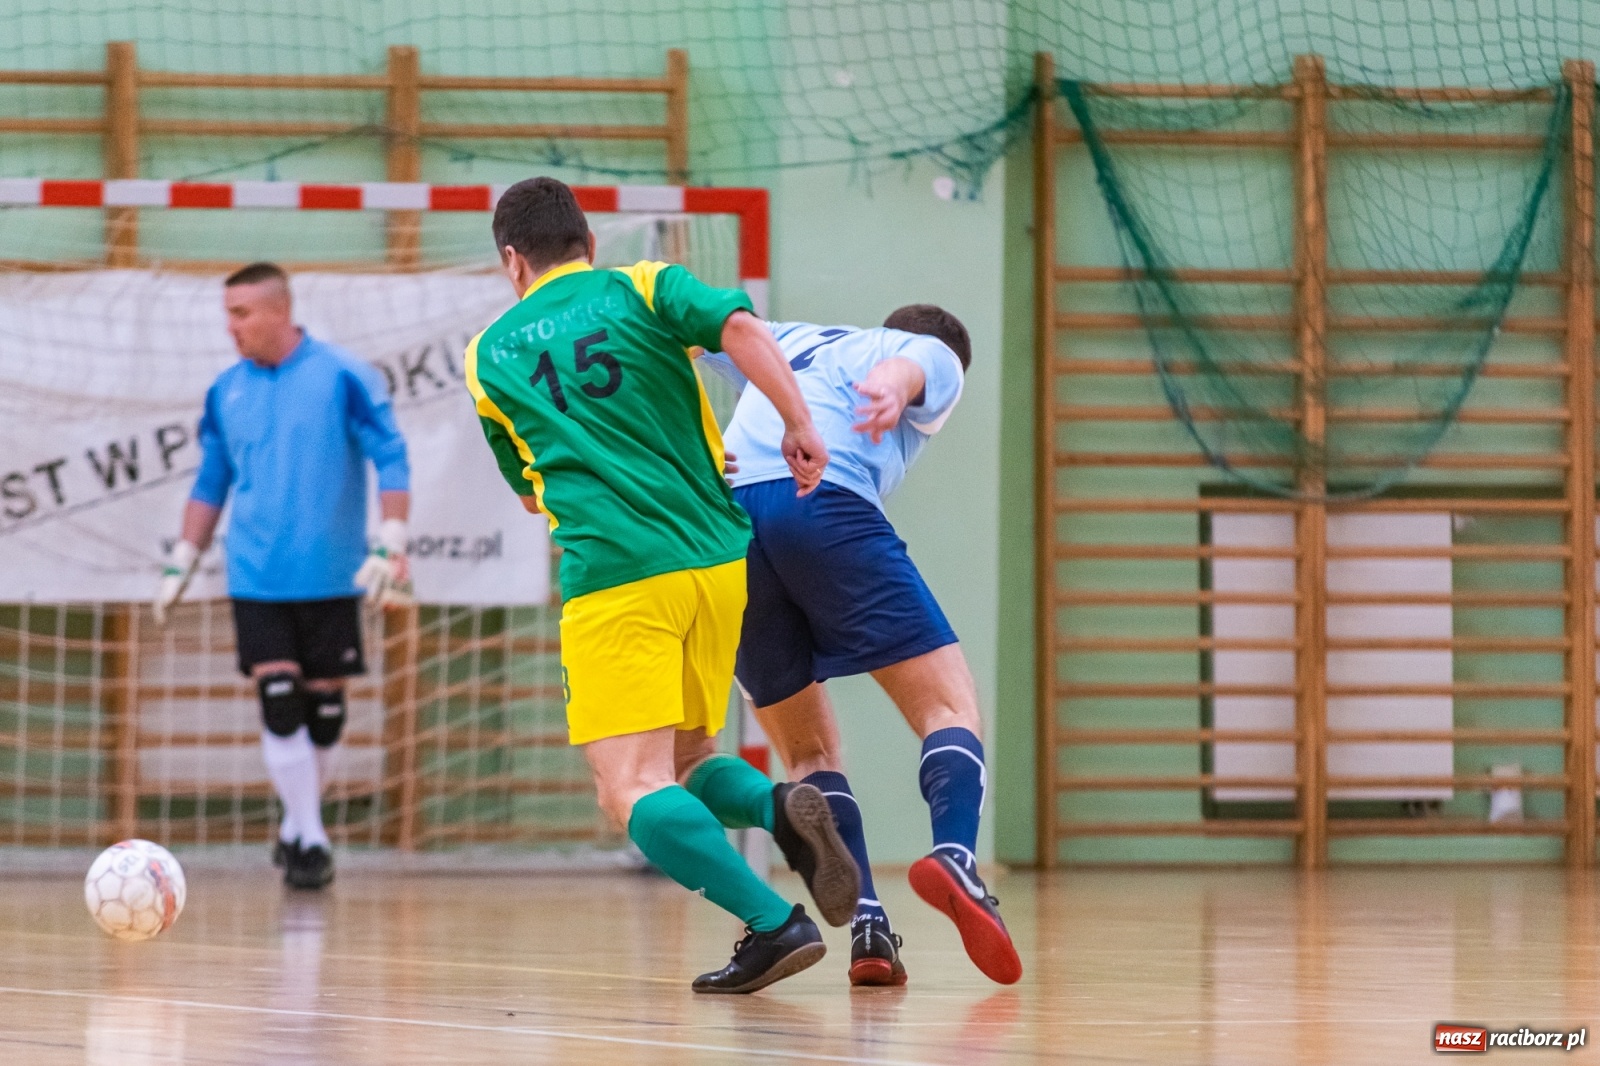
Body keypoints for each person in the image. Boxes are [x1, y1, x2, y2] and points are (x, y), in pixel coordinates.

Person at [465, 177, 860, 995]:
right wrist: (798, 423)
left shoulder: (488, 355)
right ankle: (780, 810)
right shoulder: (642, 285)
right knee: (687, 757)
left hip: (618, 577)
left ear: (512, 260)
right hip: (718, 563)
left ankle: (772, 923)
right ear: (588, 243)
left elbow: (532, 491)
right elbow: (740, 327)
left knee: (628, 787)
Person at [697, 306, 1023, 987]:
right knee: (950, 709)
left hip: (726, 527)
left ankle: (869, 924)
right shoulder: (925, 352)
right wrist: (896, 386)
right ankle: (956, 858)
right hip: (823, 500)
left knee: (808, 753)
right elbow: (913, 363)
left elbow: (697, 340)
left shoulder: (786, 336)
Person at [154, 262, 412, 891]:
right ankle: (312, 840)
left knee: (324, 712)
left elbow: (390, 454)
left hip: (332, 573)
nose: (231, 327)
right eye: (228, 314)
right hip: (256, 576)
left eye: (241, 313)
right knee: (278, 700)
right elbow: (211, 479)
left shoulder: (343, 375)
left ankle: (298, 826)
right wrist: (184, 555)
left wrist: (392, 539)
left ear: (279, 311)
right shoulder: (226, 391)